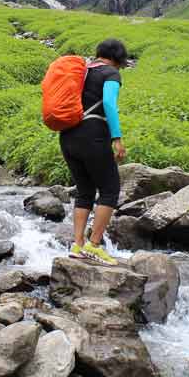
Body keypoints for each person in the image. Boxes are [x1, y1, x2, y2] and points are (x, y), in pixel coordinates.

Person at [60, 39, 130, 266]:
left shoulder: (81, 71)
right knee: (110, 189)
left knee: (84, 190)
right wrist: (116, 137)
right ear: (117, 59)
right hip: (93, 135)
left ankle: (78, 245)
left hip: (67, 135)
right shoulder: (110, 74)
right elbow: (109, 103)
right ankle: (94, 244)